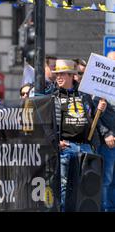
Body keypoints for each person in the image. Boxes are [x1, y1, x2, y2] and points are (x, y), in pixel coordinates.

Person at [51, 59, 107, 211]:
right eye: (57, 74)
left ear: (71, 76)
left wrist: (100, 109)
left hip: (85, 148)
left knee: (86, 190)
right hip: (65, 148)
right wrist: (56, 143)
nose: (58, 77)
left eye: (62, 74)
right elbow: (48, 124)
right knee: (64, 189)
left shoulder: (84, 95)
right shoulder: (53, 97)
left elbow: (92, 118)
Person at [96, 51, 115, 212]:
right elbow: (94, 117)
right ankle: (106, 208)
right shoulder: (99, 87)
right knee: (107, 180)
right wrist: (106, 133)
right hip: (108, 141)